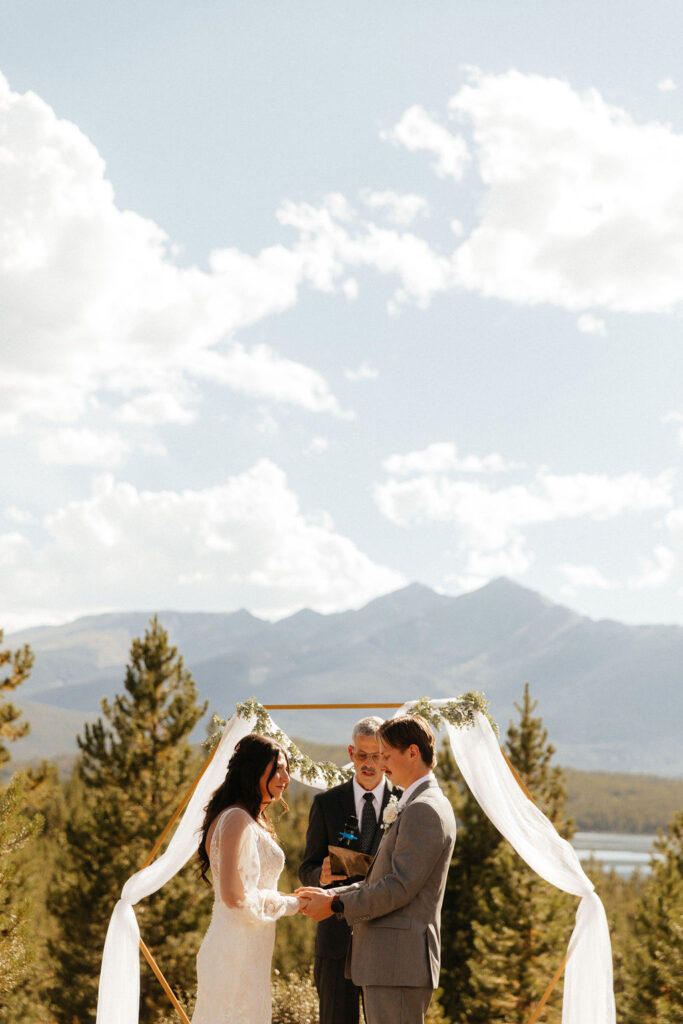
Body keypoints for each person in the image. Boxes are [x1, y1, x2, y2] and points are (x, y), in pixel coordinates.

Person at [297, 714, 456, 1024]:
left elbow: (398, 887)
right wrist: (332, 891)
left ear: (412, 752)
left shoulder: (423, 808)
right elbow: (380, 879)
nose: (381, 765)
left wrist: (336, 902)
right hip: (387, 962)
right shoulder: (418, 804)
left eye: (386, 755)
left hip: (396, 962)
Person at [191, 733, 305, 1024]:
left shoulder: (250, 818)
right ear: (254, 769)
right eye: (277, 768)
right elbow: (234, 897)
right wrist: (293, 904)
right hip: (234, 952)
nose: (285, 777)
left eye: (286, 769)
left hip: (251, 947)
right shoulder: (236, 820)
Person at [299, 717, 402, 1024]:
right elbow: (306, 867)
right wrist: (321, 875)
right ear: (350, 752)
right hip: (336, 944)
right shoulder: (327, 804)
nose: (368, 764)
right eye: (361, 755)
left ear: (386, 757)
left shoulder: (406, 802)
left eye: (376, 756)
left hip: (386, 939)